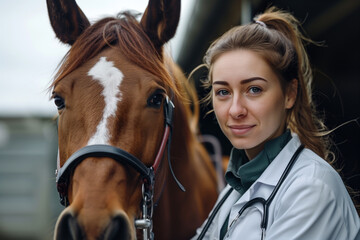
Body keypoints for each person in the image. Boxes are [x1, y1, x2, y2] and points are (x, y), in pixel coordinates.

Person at [191, 7, 360, 240]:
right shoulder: (235, 187)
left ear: (290, 94)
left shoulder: (312, 187)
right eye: (223, 92)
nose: (235, 109)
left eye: (254, 89)